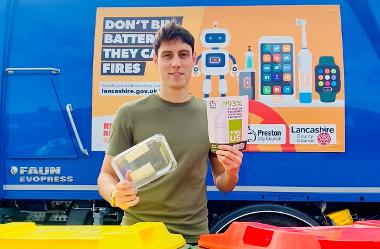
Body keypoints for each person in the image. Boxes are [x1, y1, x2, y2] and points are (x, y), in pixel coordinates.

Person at [97, 21, 243, 245]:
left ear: (194, 59)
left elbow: (223, 183)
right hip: (139, 237)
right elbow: (105, 176)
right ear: (156, 60)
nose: (176, 63)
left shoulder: (211, 114)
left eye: (183, 54)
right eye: (167, 55)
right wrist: (116, 195)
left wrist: (232, 173)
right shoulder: (130, 113)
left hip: (191, 237)